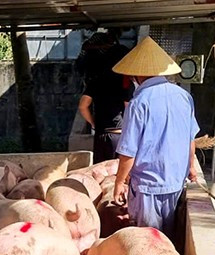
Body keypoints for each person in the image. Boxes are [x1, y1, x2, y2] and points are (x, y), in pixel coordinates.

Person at [111, 37, 199, 236]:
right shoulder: (184, 96)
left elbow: (128, 151)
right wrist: (191, 167)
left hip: (147, 187)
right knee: (170, 240)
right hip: (176, 181)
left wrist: (119, 183)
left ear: (136, 75)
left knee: (147, 242)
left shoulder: (138, 102)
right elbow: (190, 138)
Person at [76, 30, 134, 162]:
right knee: (117, 177)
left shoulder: (96, 81)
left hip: (101, 135)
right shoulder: (125, 82)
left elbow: (83, 106)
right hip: (119, 136)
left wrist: (93, 123)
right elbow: (129, 108)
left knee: (100, 177)